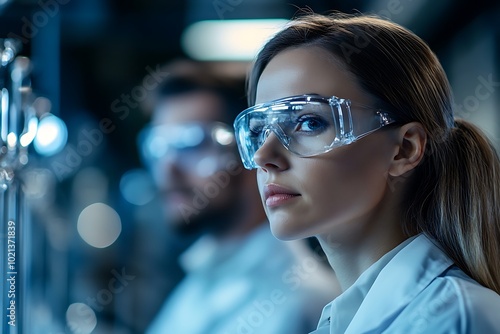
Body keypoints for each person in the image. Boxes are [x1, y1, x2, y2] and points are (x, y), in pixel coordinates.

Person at [233, 12, 500, 333]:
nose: (264, 156)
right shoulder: (341, 322)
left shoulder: (457, 318)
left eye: (310, 122)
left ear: (404, 149)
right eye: (260, 129)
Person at [139, 60, 339, 334]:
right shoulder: (199, 281)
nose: (167, 169)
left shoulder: (304, 303)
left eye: (191, 143)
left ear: (252, 148)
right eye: (158, 146)